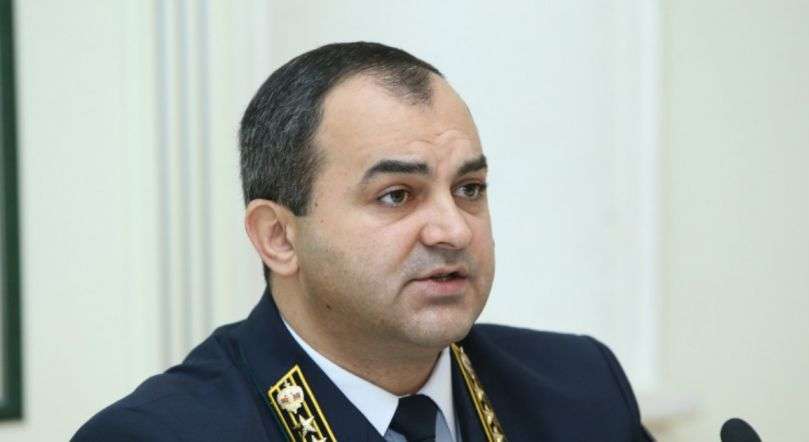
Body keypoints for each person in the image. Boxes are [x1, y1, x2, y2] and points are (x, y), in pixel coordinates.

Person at [73, 42, 653, 441]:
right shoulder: (159, 434)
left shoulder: (581, 389)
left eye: (469, 188)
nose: (454, 230)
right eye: (397, 196)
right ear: (278, 237)